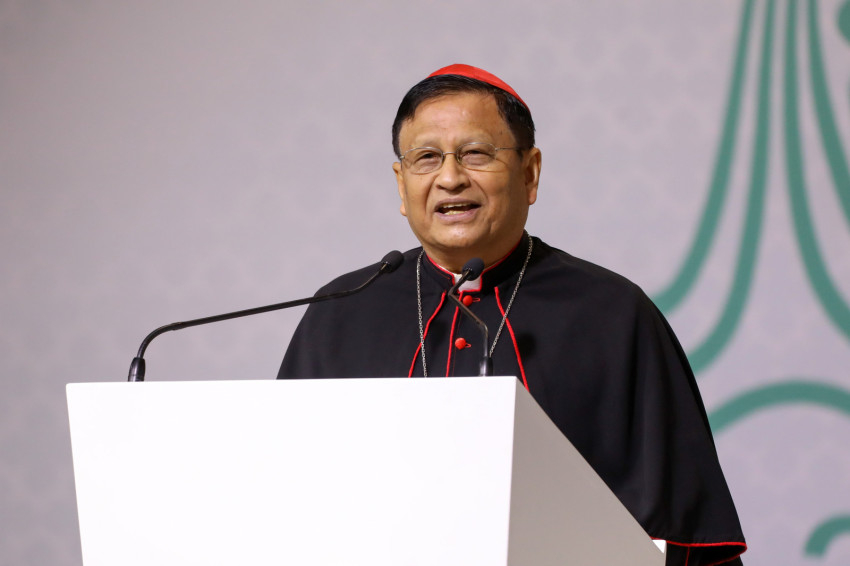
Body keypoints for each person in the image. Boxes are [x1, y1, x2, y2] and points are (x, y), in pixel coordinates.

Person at [278, 64, 746, 565]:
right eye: (426, 158)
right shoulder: (341, 311)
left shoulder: (614, 315)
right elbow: (282, 502)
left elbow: (684, 533)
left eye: (476, 153)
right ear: (401, 184)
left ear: (529, 173)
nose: (450, 178)